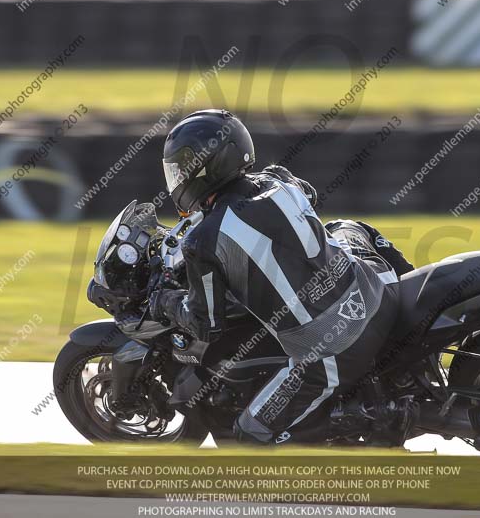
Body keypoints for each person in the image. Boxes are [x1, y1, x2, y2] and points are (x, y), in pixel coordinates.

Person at [149, 109, 413, 444]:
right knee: (348, 228)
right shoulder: (278, 180)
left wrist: (166, 301)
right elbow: (307, 194)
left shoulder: (202, 242)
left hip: (333, 351)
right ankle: (414, 286)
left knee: (249, 435)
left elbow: (207, 326)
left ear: (205, 167)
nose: (177, 178)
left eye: (181, 169)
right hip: (377, 296)